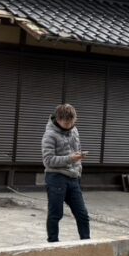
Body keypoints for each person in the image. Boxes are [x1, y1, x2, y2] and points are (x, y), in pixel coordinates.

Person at [41, 103, 91, 243]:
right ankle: (53, 243)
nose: (69, 125)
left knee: (82, 214)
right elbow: (48, 161)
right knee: (56, 214)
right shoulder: (49, 135)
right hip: (56, 178)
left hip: (73, 177)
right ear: (58, 119)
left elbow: (76, 149)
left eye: (72, 122)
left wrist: (79, 158)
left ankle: (87, 243)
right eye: (66, 122)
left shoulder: (75, 130)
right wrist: (70, 158)